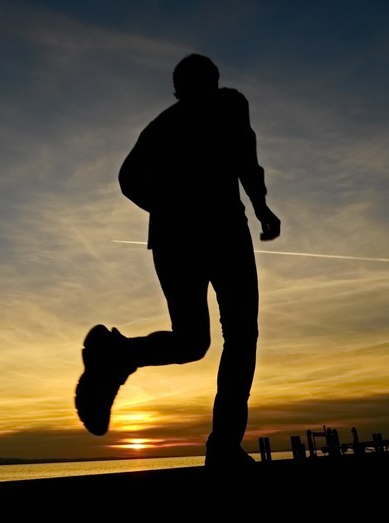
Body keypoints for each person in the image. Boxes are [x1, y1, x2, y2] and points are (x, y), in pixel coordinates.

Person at [74, 53, 281, 469]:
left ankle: (118, 356)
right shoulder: (220, 108)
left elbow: (131, 179)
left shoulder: (179, 120)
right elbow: (243, 159)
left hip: (187, 238)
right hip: (214, 235)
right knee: (236, 337)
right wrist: (254, 208)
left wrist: (255, 207)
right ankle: (223, 446)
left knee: (195, 341)